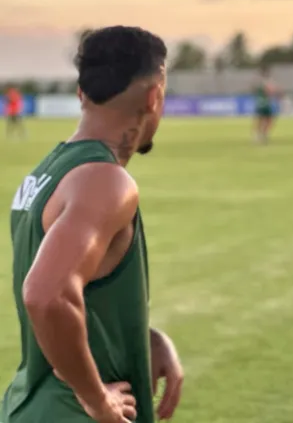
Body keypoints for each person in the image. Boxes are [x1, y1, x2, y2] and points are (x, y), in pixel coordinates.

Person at [0, 26, 184, 423]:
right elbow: (46, 295)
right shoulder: (104, 180)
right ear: (154, 96)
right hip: (69, 412)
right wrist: (97, 399)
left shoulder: (49, 172)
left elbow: (82, 289)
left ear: (82, 93)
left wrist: (144, 338)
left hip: (30, 403)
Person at [253, 66, 277, 144]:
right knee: (264, 119)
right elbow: (268, 91)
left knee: (264, 120)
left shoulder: (262, 81)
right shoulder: (264, 81)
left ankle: (261, 135)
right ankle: (261, 135)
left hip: (264, 103)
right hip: (264, 103)